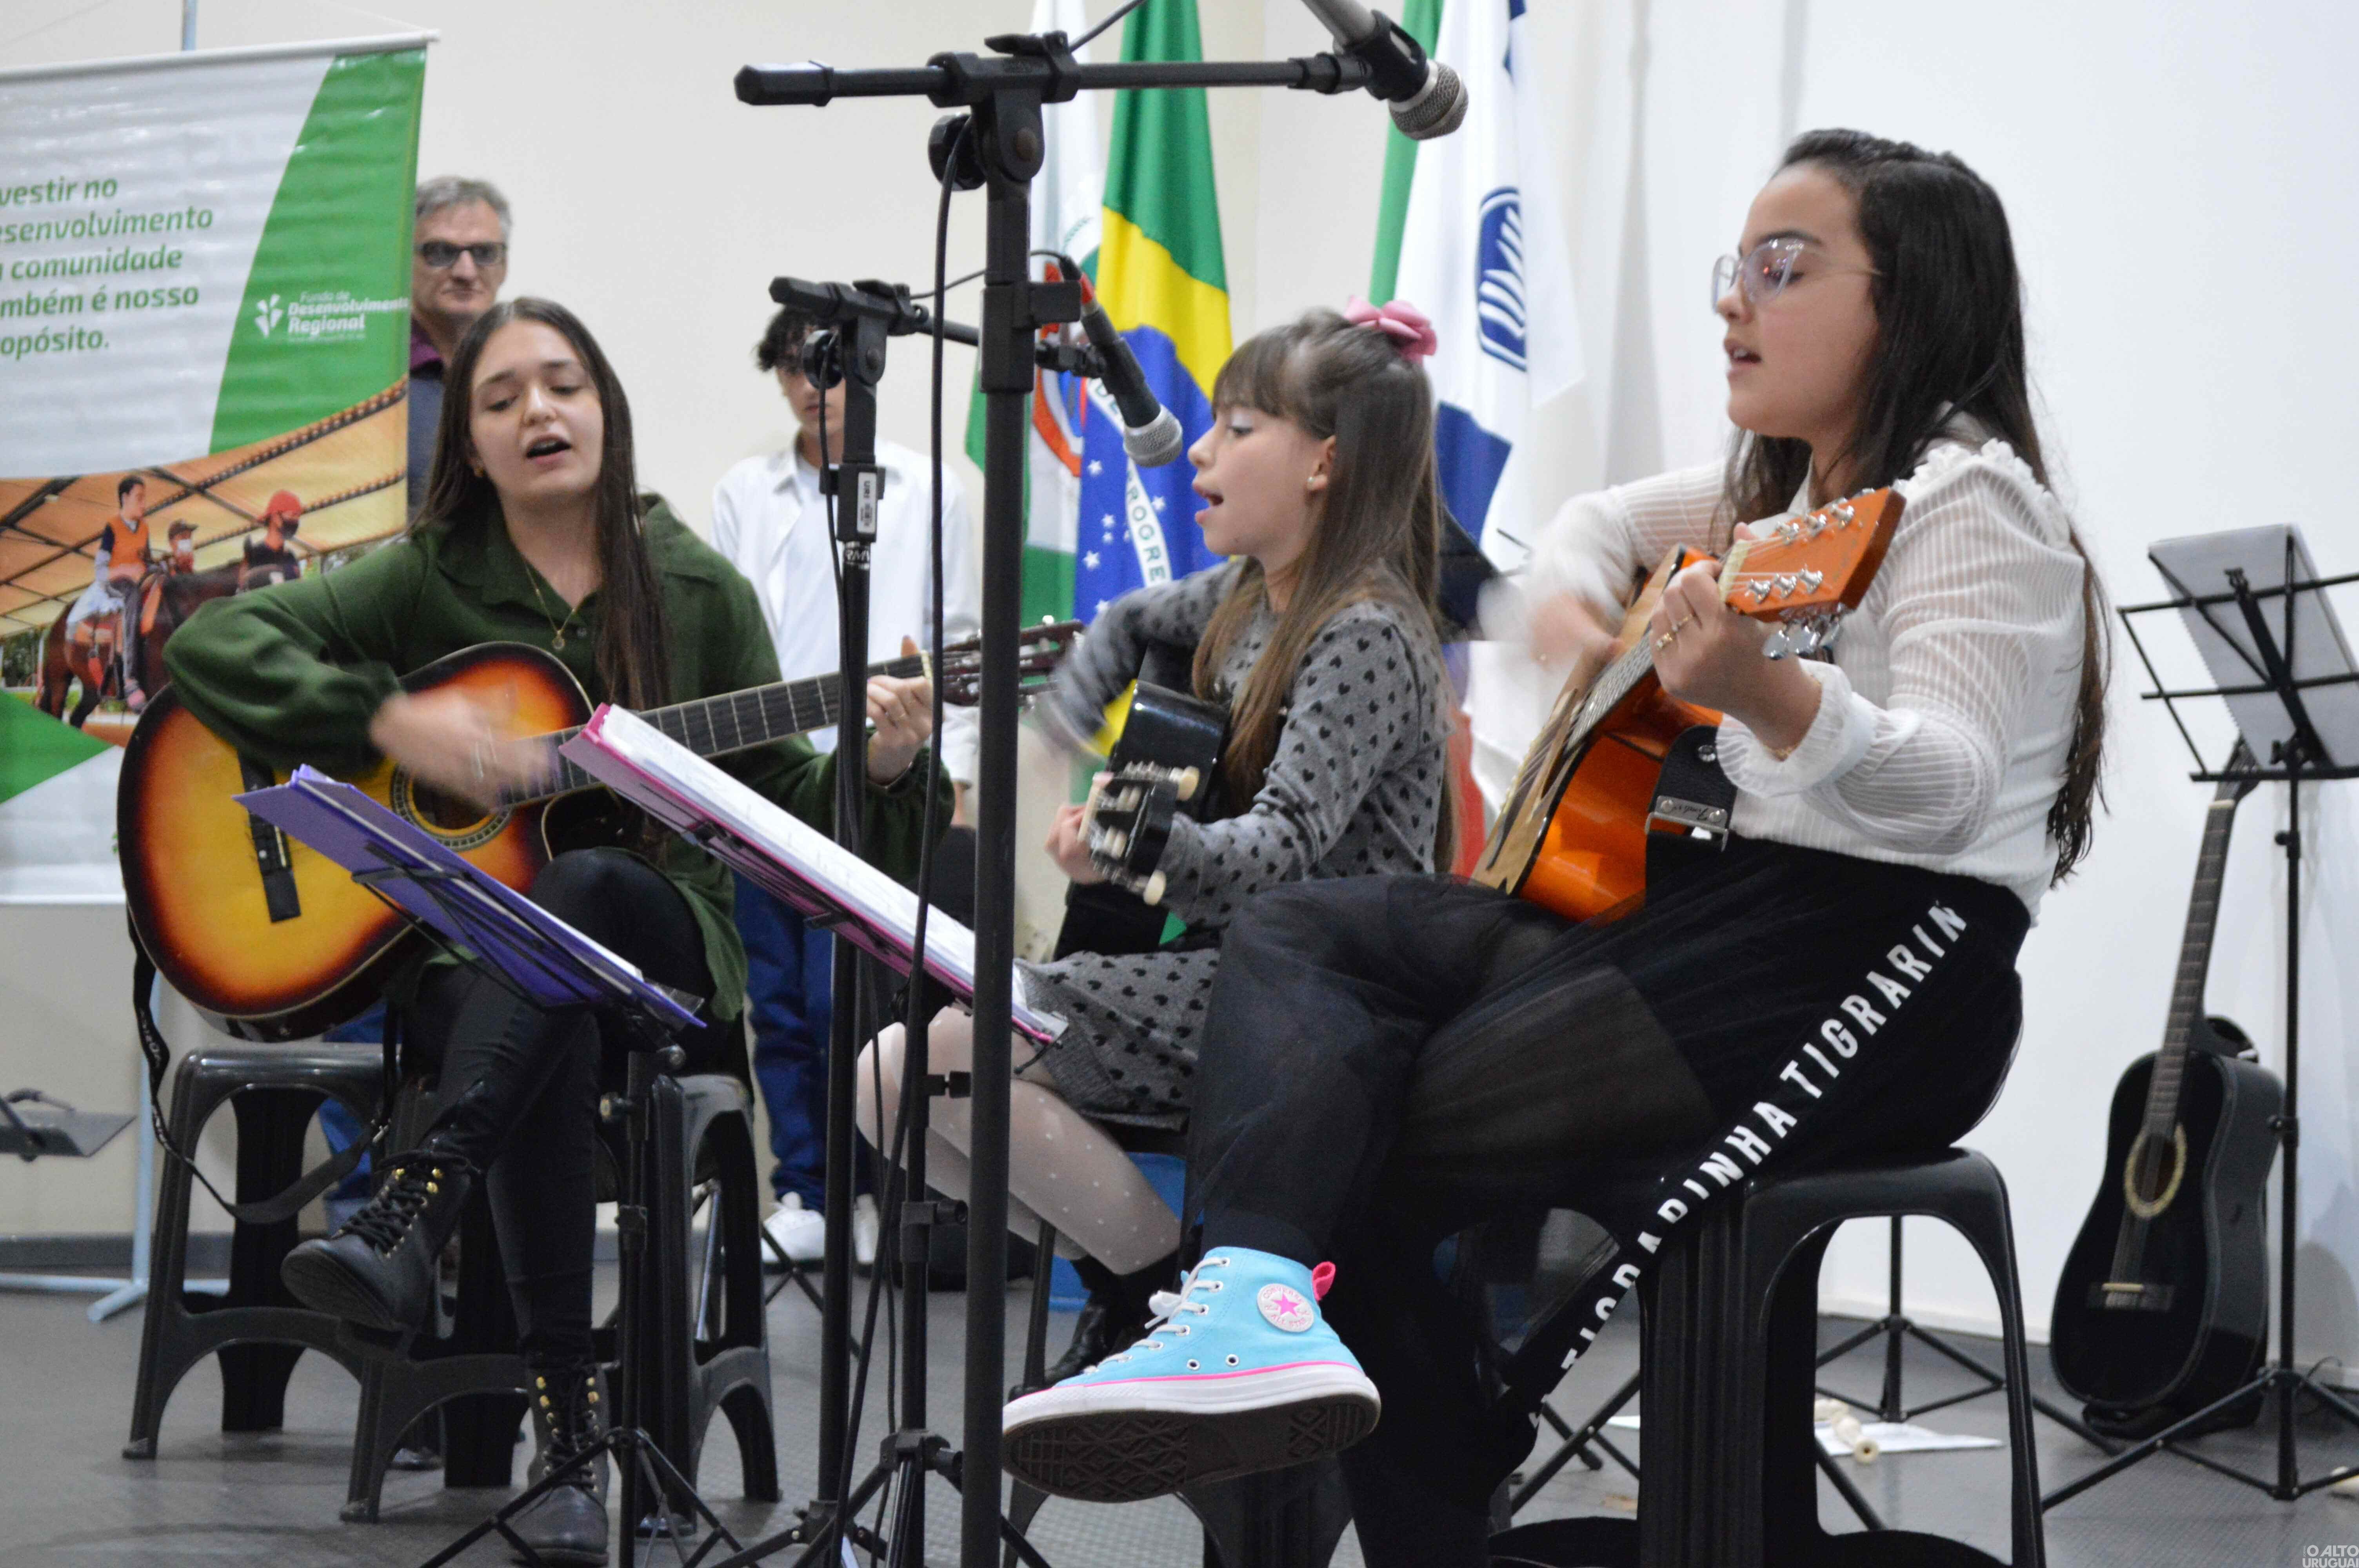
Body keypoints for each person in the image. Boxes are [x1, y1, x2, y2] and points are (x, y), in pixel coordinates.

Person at [1000, 130, 2111, 1565]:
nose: (1732, 303)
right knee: (1309, 928)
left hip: (1876, 954)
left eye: (1780, 268)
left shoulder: (1976, 506)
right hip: (1710, 912)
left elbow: (1952, 789)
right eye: (1733, 268)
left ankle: (1406, 1469)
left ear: (1909, 302)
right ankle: (1249, 1302)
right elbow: (1582, 527)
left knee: (1373, 1115)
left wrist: (1765, 691)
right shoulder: (1771, 496)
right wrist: (1588, 612)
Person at [163, 297, 947, 1564]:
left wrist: (894, 766)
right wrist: (387, 723)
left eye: (565, 384)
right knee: (544, 976)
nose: (540, 410)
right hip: (476, 963)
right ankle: (570, 1440)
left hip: (669, 950)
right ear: (469, 446)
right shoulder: (431, 577)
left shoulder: (691, 587)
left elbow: (794, 817)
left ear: (607, 412)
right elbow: (211, 641)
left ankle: (421, 1213)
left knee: (583, 899)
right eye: (503, 396)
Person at [858, 301, 1458, 1390]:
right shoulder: (1244, 596)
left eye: (1238, 427)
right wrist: (1064, 737)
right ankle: (1148, 1286)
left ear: (1325, 462)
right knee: (889, 1085)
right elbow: (1131, 620)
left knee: (938, 1060)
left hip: (1327, 1001)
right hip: (1239, 974)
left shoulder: (1365, 631)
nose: (1204, 447)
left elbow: (1282, 849)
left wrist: (1143, 845)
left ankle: (1157, 1300)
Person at [710, 304, 981, 1269]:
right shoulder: (746, 490)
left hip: (877, 778)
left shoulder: (932, 487)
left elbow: (959, 637)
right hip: (766, 782)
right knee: (775, 998)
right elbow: (728, 645)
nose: (810, 386)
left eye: (827, 368)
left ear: (862, 377)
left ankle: (872, 1193)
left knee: (854, 1001)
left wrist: (952, 772)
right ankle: (805, 1190)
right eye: (792, 368)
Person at [407, 176, 511, 505]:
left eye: (484, 253)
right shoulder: (373, 377)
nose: (466, 272)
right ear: (402, 262)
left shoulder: (530, 373)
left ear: (504, 265)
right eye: (440, 252)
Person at [64, 474, 154, 709]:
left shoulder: (145, 529)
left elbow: (149, 561)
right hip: (114, 582)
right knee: (133, 597)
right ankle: (130, 678)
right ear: (125, 498)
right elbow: (101, 570)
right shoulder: (112, 527)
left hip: (137, 579)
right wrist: (126, 568)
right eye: (139, 498)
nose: (144, 504)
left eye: (145, 499)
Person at [237, 490, 306, 591]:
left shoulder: (290, 558)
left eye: (298, 517)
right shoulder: (255, 554)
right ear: (275, 517)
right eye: (292, 515)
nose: (296, 522)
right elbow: (244, 590)